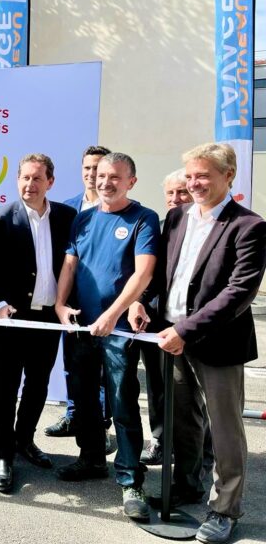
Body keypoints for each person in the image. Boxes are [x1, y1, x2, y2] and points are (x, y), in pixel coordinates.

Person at [130, 143, 266, 543]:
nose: (194, 183)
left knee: (225, 430)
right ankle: (187, 485)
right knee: (182, 420)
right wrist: (142, 302)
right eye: (190, 176)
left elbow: (238, 292)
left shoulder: (249, 226)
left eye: (203, 175)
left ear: (228, 175)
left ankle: (225, 510)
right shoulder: (176, 218)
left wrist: (185, 330)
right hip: (170, 337)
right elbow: (162, 274)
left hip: (216, 343)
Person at [54, 152, 159, 521]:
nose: (105, 182)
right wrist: (60, 305)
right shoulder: (83, 218)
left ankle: (130, 479)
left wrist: (113, 315)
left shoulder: (143, 218)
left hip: (118, 331)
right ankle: (91, 458)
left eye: (114, 177)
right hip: (80, 326)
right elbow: (70, 264)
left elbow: (143, 274)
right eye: (100, 175)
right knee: (83, 398)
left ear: (131, 181)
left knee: (121, 402)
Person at [0, 154, 76, 493]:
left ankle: (25, 439)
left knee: (37, 384)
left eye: (37, 178)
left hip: (48, 319)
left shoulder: (66, 217)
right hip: (11, 319)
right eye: (25, 177)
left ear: (50, 182)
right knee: (5, 387)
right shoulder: (1, 218)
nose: (30, 184)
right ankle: (3, 454)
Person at [47, 145, 113, 441]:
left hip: (104, 303)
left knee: (102, 372)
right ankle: (74, 416)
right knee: (72, 364)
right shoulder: (67, 208)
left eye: (98, 168)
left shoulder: (119, 208)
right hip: (69, 302)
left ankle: (101, 424)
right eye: (87, 168)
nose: (92, 174)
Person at [137, 168, 194, 465]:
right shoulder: (158, 227)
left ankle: (196, 447)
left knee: (189, 390)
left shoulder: (205, 228)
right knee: (157, 382)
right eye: (170, 193)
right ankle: (160, 439)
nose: (175, 198)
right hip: (155, 320)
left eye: (182, 192)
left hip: (190, 322)